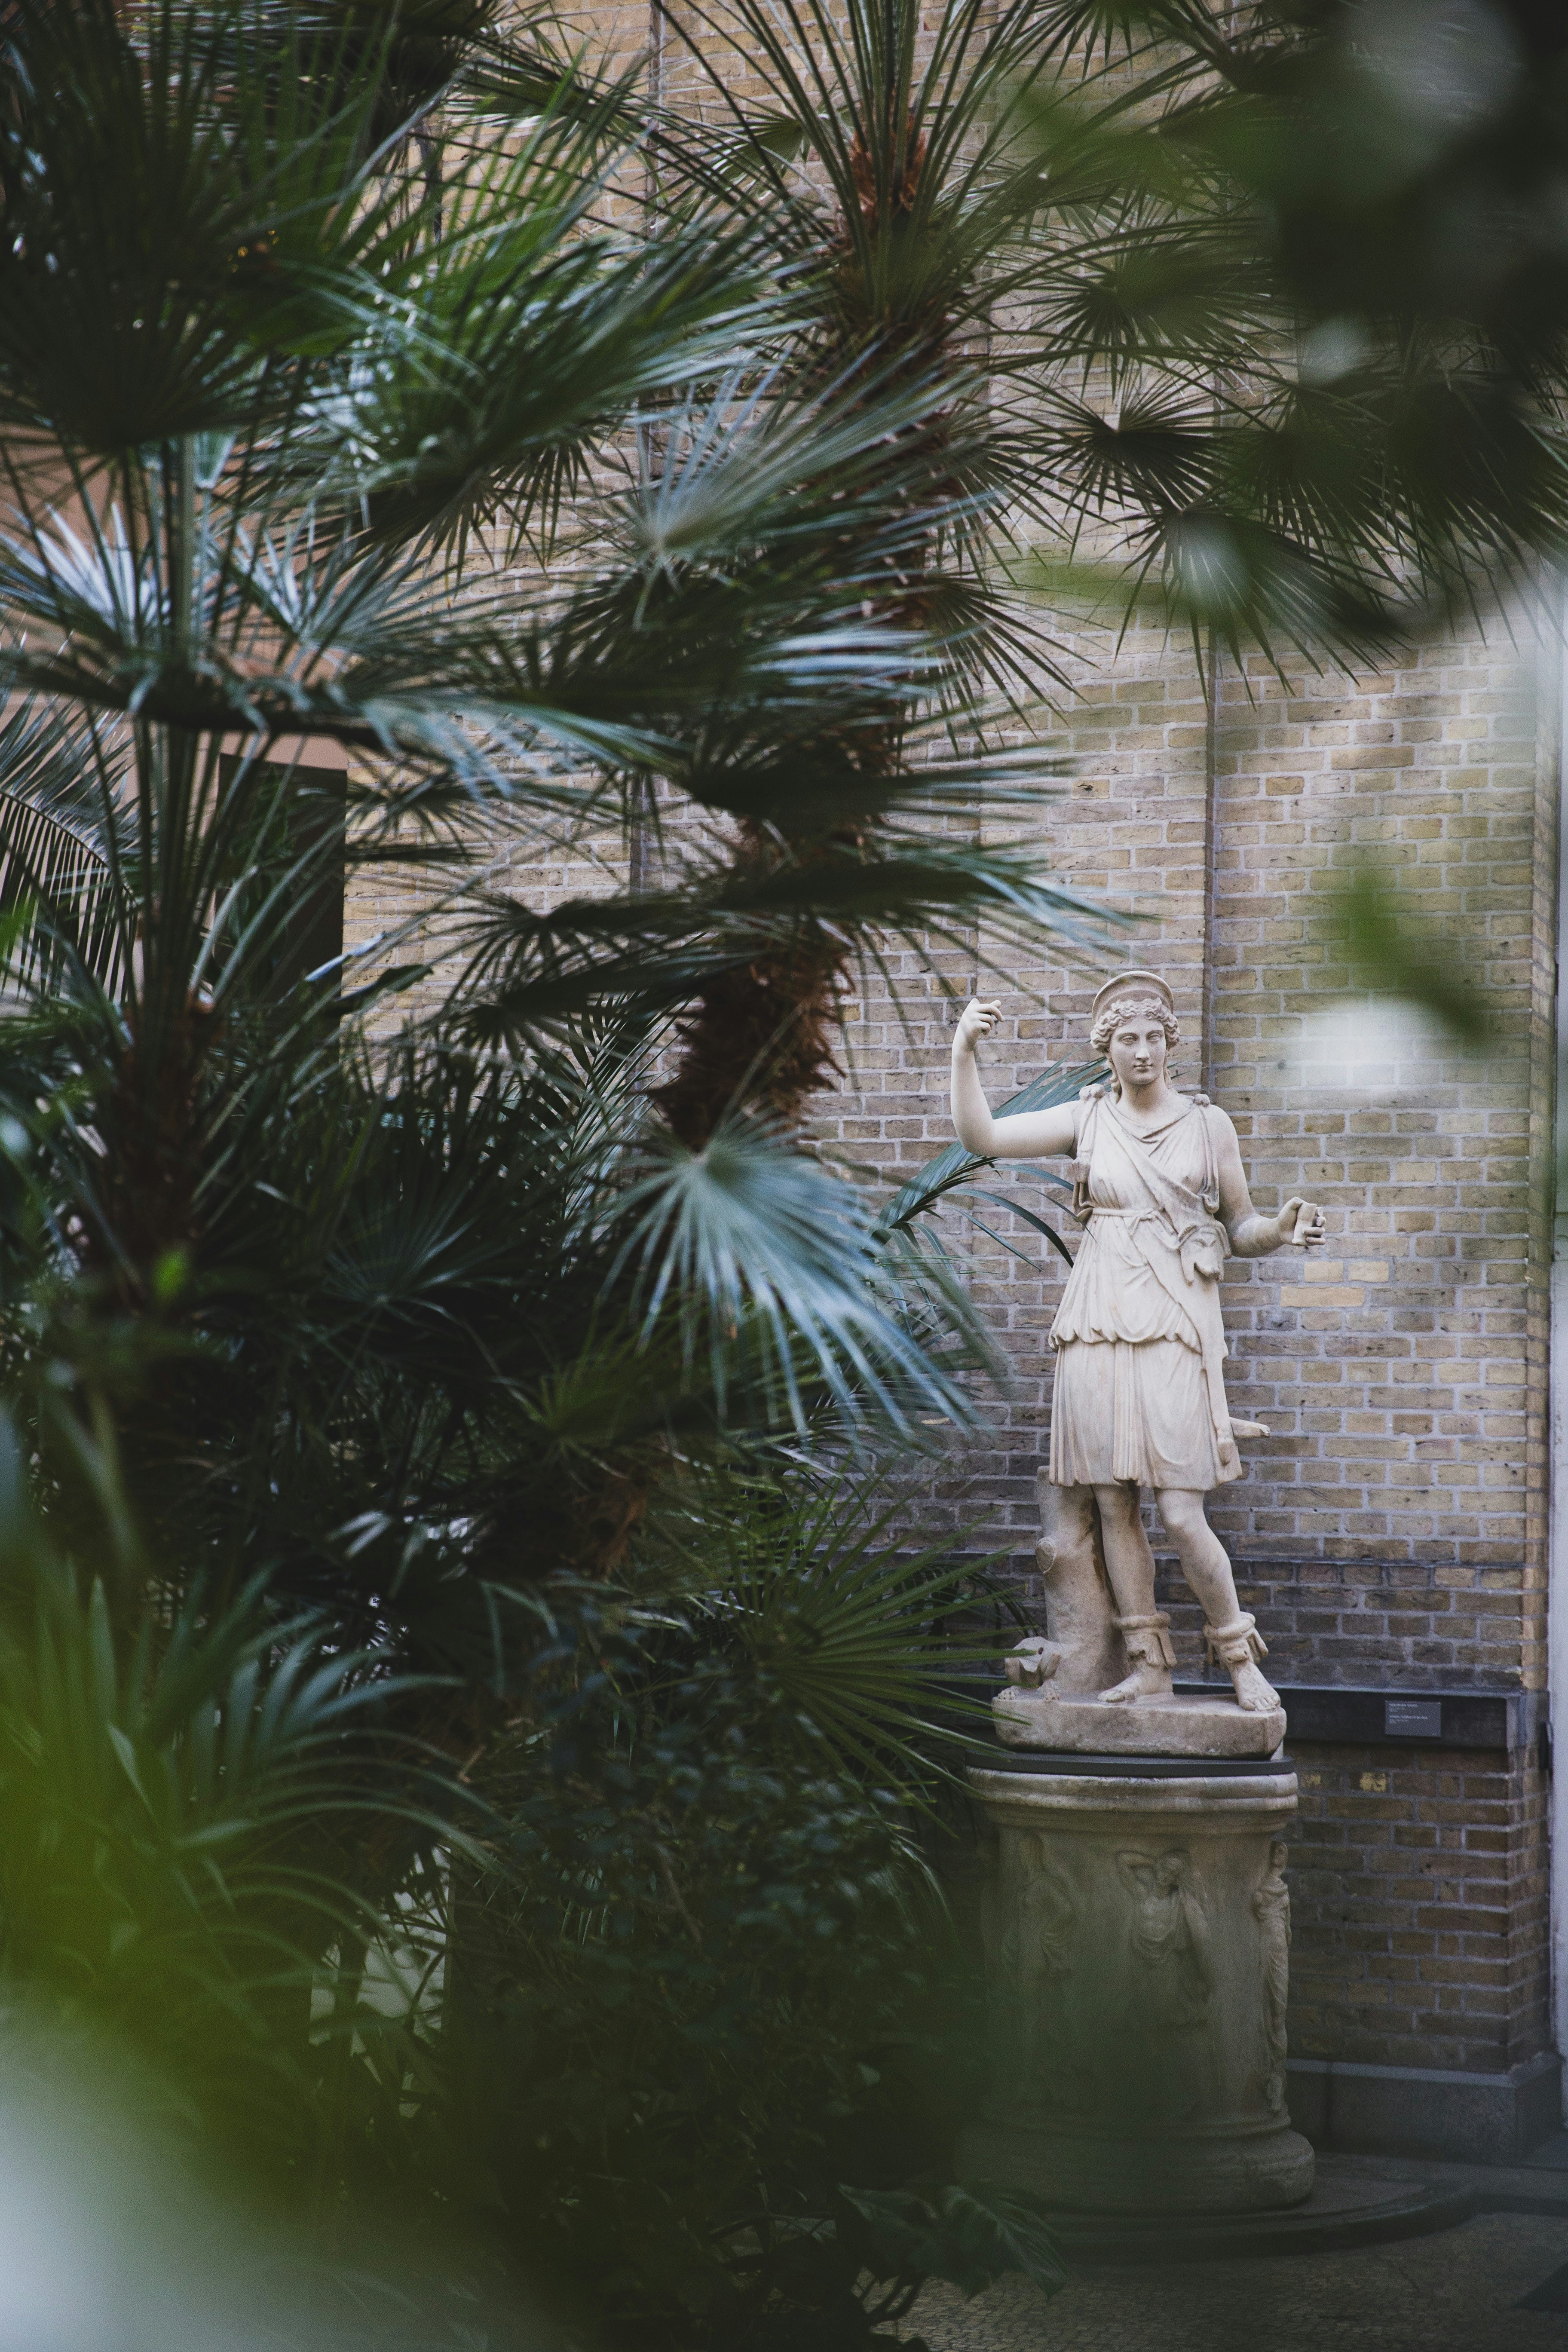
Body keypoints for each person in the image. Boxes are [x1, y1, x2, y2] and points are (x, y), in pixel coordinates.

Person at [949, 970, 1327, 1713]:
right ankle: (1149, 1664)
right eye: (1128, 1039)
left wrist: (1279, 1231)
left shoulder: (1207, 1124)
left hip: (1177, 1320)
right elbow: (982, 1136)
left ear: (1170, 1045)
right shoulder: (1087, 1118)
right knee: (1114, 1503)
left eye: (1155, 1038)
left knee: (1183, 1511)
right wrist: (964, 1049)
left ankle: (1238, 1655)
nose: (1143, 1051)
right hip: (1098, 1317)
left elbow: (1241, 1227)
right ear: (1108, 1049)